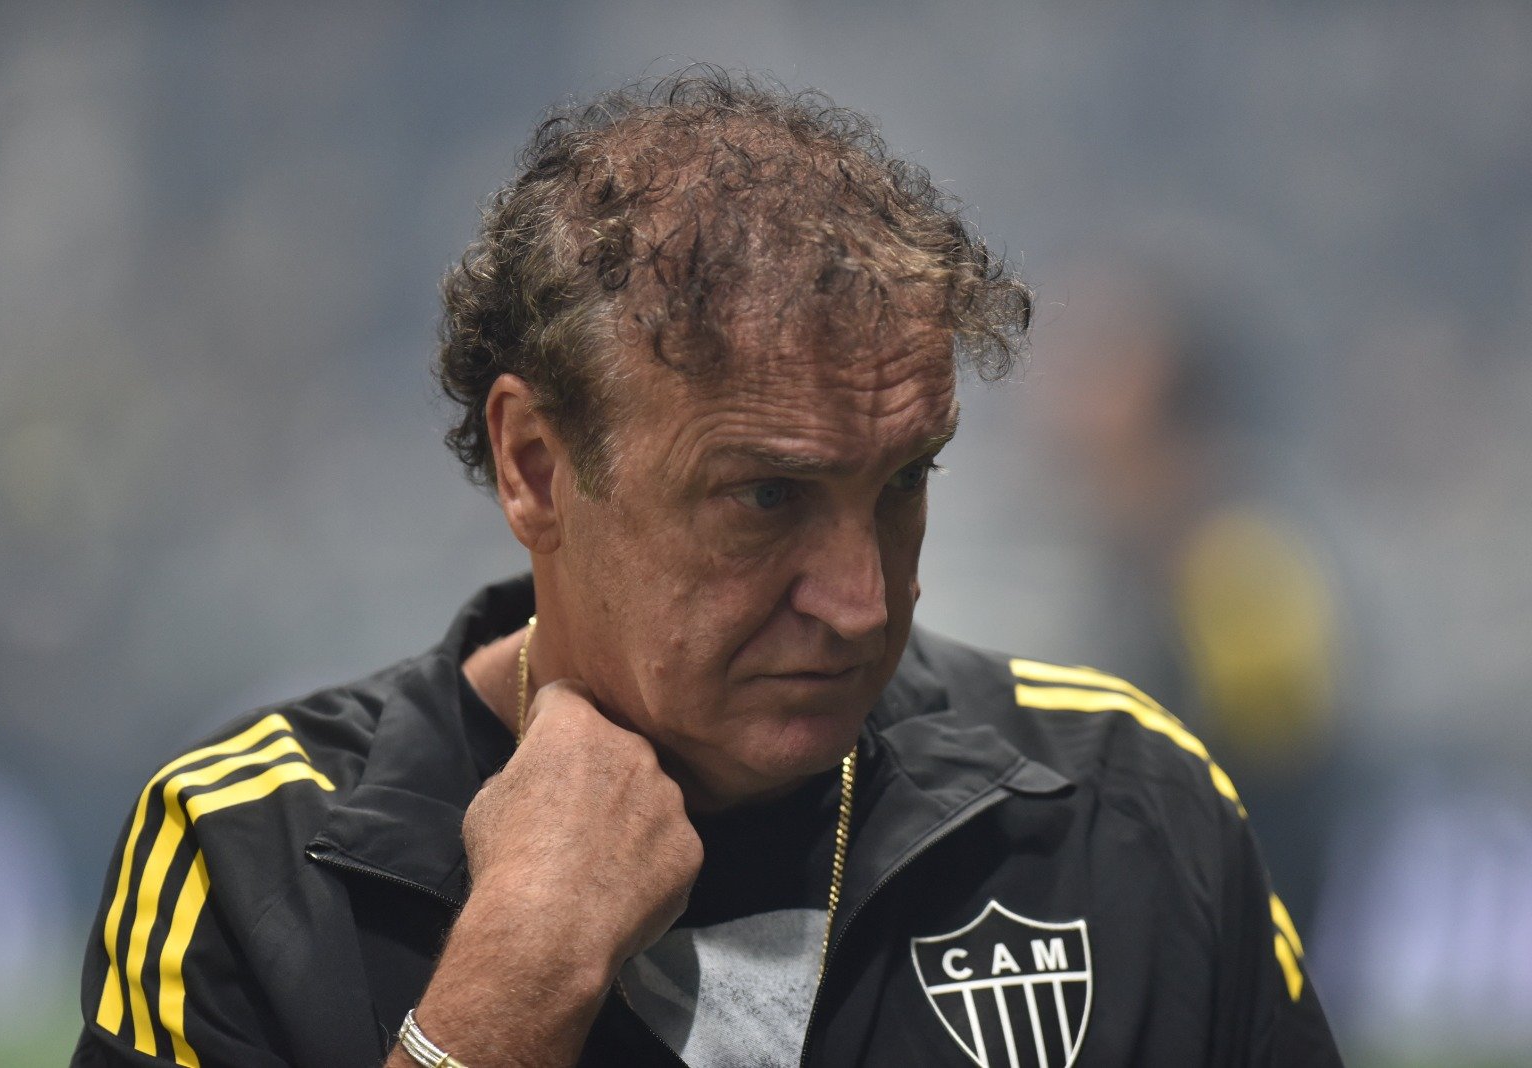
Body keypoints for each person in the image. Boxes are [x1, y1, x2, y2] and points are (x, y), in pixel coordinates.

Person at [71, 70, 1342, 1068]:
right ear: (535, 467)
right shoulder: (248, 855)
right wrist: (501, 999)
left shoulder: (1121, 813)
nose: (862, 602)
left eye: (902, 485)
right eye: (766, 498)